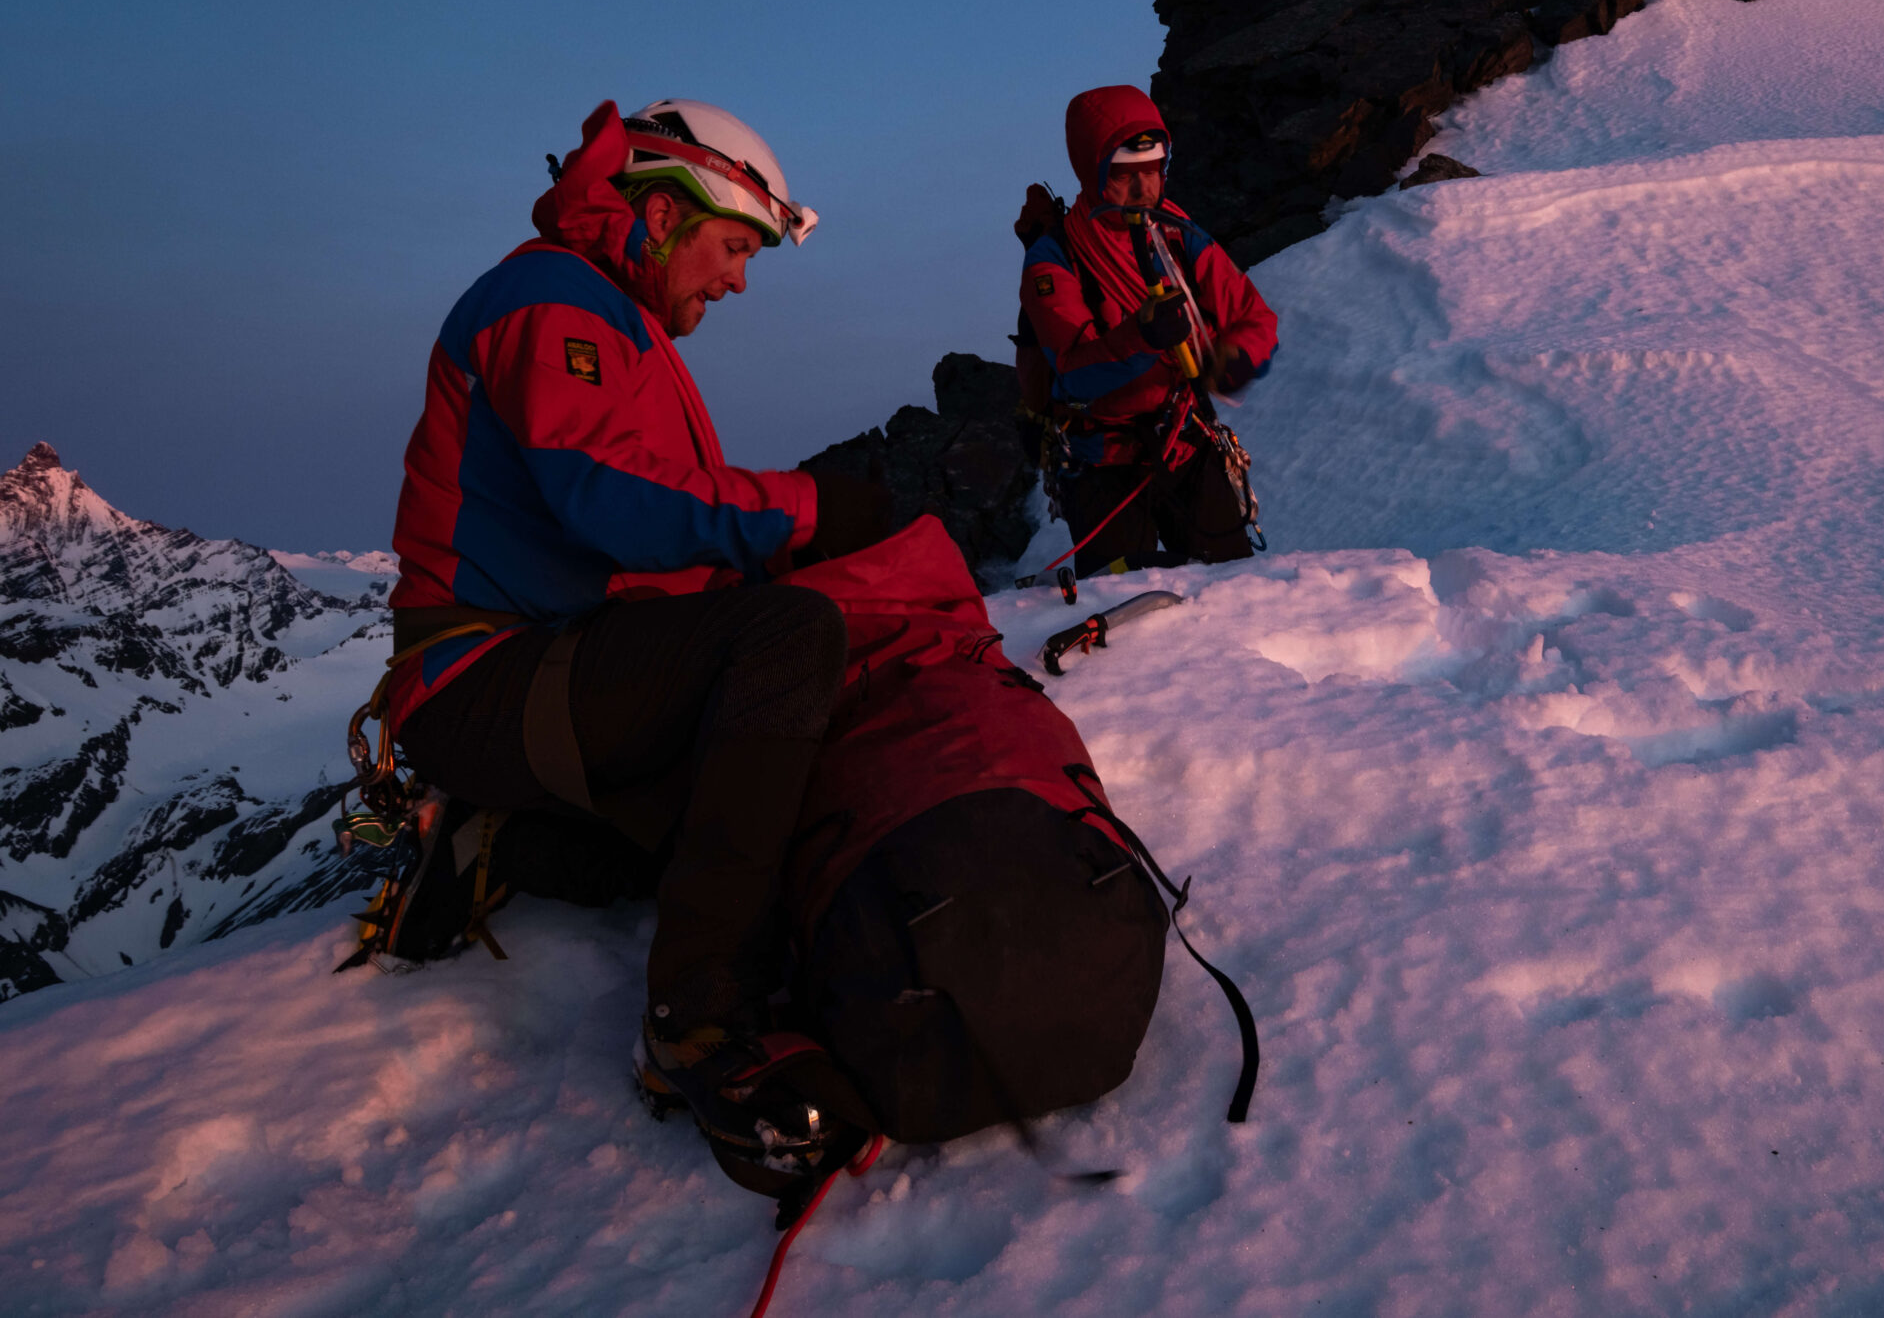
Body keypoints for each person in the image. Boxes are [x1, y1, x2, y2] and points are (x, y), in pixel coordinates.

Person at [380, 98, 892, 1166]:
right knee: (784, 641)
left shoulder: (616, 321)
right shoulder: (553, 303)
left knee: (736, 826)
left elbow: (654, 530)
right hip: (485, 674)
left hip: (534, 667)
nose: (737, 281)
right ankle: (692, 1025)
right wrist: (804, 511)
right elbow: (608, 496)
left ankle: (493, 838)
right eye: (734, 248)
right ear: (663, 215)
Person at [1018, 85, 1278, 575]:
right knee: (1126, 604)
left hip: (1186, 442)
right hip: (1102, 464)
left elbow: (1253, 315)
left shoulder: (1178, 233)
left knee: (1232, 586)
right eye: (1124, 175)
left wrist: (1235, 358)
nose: (1144, 189)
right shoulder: (1054, 259)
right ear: (1093, 171)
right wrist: (1141, 338)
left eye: (1154, 169)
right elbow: (1074, 373)